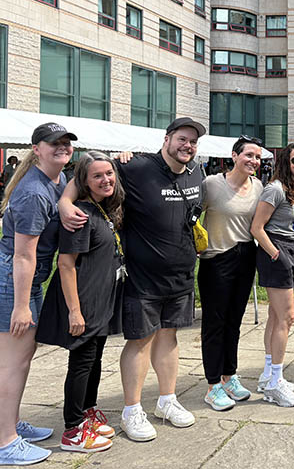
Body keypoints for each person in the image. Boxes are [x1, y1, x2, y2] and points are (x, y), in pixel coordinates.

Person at [59, 117, 206, 442]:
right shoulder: (136, 167)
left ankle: (167, 400)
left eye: (193, 142)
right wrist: (65, 202)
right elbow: (87, 172)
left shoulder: (197, 171)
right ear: (167, 139)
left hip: (181, 275)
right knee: (140, 340)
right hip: (143, 277)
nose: (188, 146)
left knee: (169, 337)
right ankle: (132, 410)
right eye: (182, 139)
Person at [37, 152, 125, 453]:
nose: (106, 179)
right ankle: (73, 431)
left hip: (101, 302)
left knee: (95, 361)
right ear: (84, 182)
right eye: (97, 176)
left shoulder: (101, 209)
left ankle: (88, 411)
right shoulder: (80, 215)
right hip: (83, 303)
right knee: (82, 364)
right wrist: (75, 311)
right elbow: (65, 264)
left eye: (109, 174)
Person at [0, 124, 75, 465]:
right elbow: (23, 256)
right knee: (13, 363)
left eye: (66, 143)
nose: (62, 148)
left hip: (28, 280)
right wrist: (19, 306)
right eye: (53, 143)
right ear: (36, 148)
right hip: (16, 281)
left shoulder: (57, 179)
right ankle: (6, 441)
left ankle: (10, 423)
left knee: (21, 359)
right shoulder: (33, 192)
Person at [198, 136, 264, 411]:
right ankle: (213, 385)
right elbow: (190, 216)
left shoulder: (258, 186)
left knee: (234, 322)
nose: (254, 161)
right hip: (216, 259)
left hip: (245, 256)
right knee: (215, 323)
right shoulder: (212, 184)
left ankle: (229, 376)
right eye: (249, 155)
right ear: (234, 156)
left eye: (258, 157)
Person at [251, 142, 294, 407]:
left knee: (276, 316)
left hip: (290, 249)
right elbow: (257, 227)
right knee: (287, 318)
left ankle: (268, 375)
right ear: (285, 163)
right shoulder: (275, 189)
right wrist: (276, 254)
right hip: (277, 251)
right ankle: (276, 382)